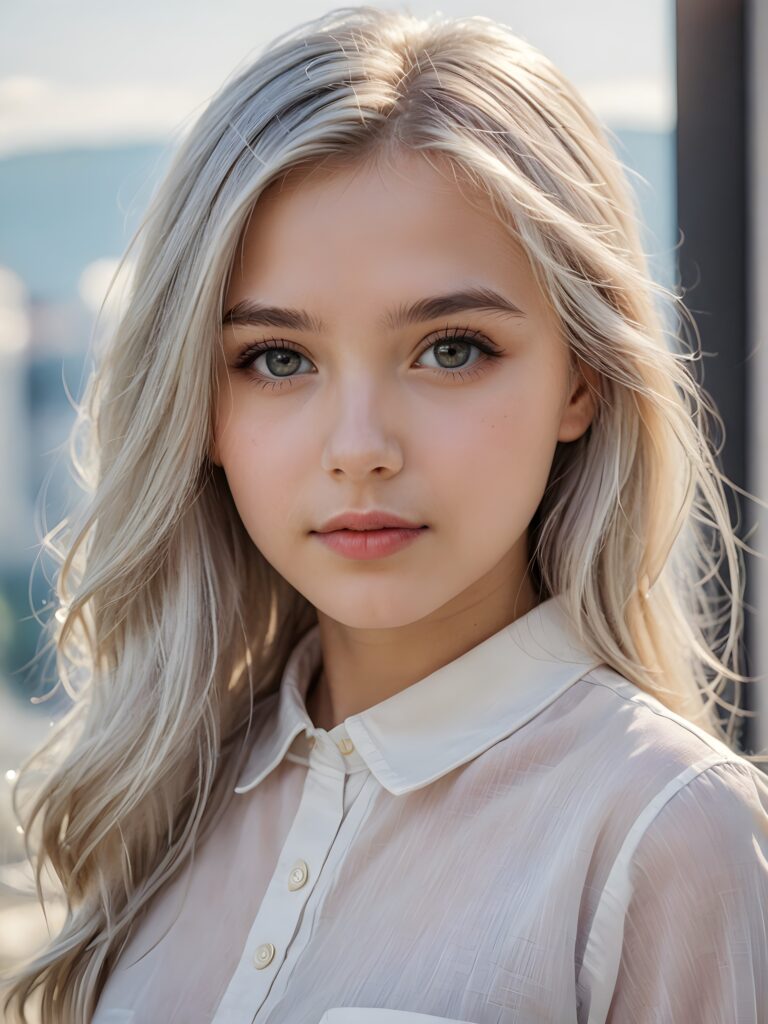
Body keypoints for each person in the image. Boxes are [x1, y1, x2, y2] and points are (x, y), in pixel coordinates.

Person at [3, 6, 767, 1023]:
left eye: (451, 348)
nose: (359, 445)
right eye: (278, 359)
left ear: (581, 379)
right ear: (202, 406)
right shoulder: (167, 789)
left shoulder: (667, 836)